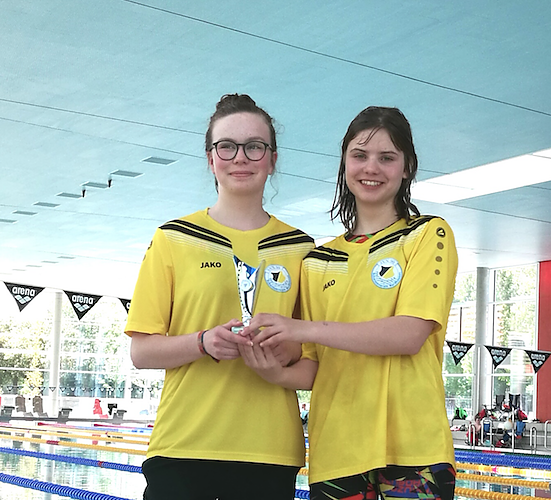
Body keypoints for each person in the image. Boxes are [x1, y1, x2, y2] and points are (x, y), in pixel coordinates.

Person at [240, 106, 458, 500]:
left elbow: (409, 334)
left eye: (387, 157)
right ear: (344, 163)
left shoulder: (427, 235)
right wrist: (275, 373)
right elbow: (315, 366)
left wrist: (302, 328)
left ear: (407, 167)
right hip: (336, 450)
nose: (371, 168)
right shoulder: (318, 261)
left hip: (414, 448)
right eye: (360, 155)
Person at [125, 93, 315, 500]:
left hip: (268, 450)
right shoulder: (173, 239)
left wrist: (282, 351)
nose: (240, 157)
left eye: (254, 146)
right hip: (183, 446)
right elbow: (141, 352)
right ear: (211, 159)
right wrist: (203, 342)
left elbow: (313, 357)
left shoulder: (300, 249)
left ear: (272, 159)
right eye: (227, 146)